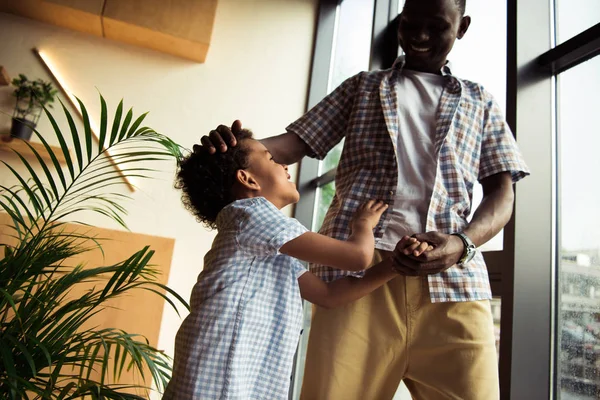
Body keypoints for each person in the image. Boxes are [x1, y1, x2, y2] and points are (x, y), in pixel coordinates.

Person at [199, 0, 530, 398]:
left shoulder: (482, 103)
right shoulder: (362, 87)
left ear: (462, 27)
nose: (420, 36)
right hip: (357, 278)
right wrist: (228, 152)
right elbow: (288, 147)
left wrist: (461, 244)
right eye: (410, 24)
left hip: (453, 281)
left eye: (436, 26)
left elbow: (502, 193)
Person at [164, 129, 432, 399]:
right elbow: (357, 257)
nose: (285, 164)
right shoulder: (251, 214)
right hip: (222, 366)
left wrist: (393, 265)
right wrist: (362, 225)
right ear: (247, 179)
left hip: (225, 365)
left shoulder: (263, 243)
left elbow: (329, 295)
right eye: (271, 159)